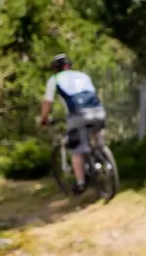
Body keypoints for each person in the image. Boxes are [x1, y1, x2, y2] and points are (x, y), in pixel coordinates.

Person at [39, 53, 107, 195]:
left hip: (78, 114)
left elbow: (47, 102)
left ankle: (80, 183)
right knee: (98, 141)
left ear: (55, 68)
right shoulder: (83, 75)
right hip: (98, 111)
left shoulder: (55, 79)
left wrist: (44, 118)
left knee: (78, 150)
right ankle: (104, 159)